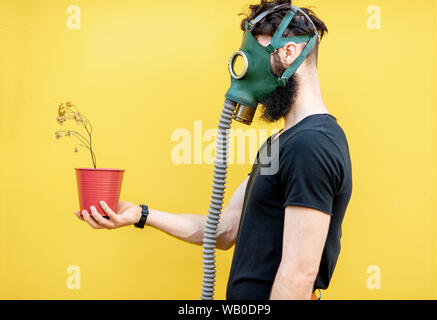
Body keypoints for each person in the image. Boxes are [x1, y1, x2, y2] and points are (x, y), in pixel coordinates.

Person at [74, 0, 352, 300]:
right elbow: (225, 230)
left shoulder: (310, 145)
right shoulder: (286, 142)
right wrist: (140, 214)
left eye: (253, 54)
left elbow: (298, 276)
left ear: (288, 52)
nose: (244, 71)